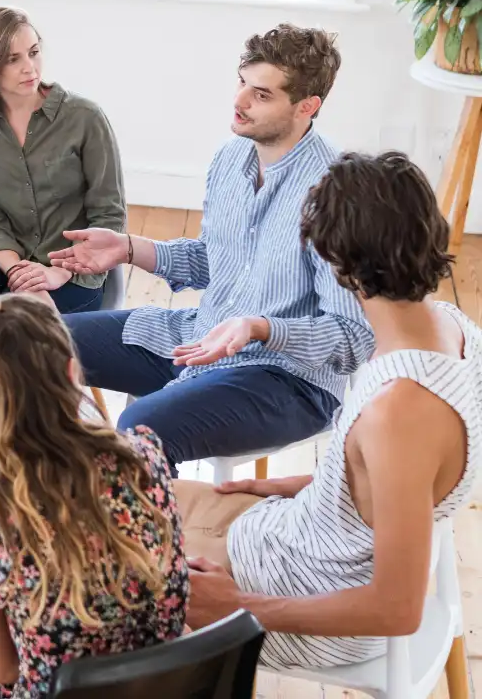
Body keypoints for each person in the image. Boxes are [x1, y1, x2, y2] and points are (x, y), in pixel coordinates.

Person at [176, 150, 481, 669]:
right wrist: (292, 485)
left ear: (339, 267)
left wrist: (239, 607)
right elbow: (392, 489)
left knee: (85, 559)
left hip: (302, 603)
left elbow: (396, 609)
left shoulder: (401, 413)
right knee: (121, 499)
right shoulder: (454, 329)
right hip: (294, 540)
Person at [50, 24, 374, 471]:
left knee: (140, 426)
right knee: (29, 342)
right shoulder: (230, 158)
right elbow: (215, 260)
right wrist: (127, 248)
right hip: (198, 339)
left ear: (307, 106)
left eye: (261, 95)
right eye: (242, 83)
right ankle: (29, 508)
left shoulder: (338, 191)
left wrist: (261, 327)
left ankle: (129, 535)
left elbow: (353, 339)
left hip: (286, 380)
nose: (239, 101)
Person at [0, 294, 188, 699]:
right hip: (160, 683)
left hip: (62, 688)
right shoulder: (144, 454)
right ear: (71, 373)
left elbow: (1, 668)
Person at [0, 6, 126, 544]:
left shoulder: (85, 118)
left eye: (32, 52)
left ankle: (21, 493)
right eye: (11, 59)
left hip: (74, 267)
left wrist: (57, 274)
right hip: (0, 253)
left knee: (20, 340)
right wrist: (16, 269)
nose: (28, 67)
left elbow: (108, 216)